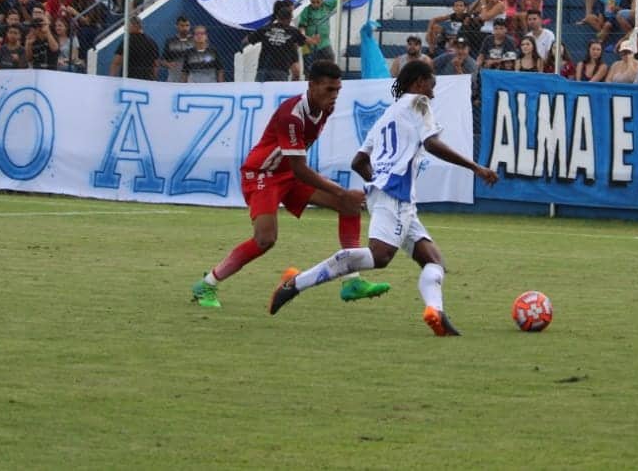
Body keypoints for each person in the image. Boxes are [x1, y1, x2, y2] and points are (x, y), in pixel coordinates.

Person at [268, 61, 498, 336]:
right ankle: (296, 283)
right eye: (431, 86)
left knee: (433, 260)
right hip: (395, 194)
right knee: (380, 257)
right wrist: (476, 167)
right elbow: (431, 143)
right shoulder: (418, 103)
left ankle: (436, 312)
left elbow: (358, 161)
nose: (433, 94)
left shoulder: (388, 115)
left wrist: (378, 182)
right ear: (418, 83)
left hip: (391, 195)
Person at [191, 60, 384, 309]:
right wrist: (339, 189)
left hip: (287, 173)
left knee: (348, 205)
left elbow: (296, 167)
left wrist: (343, 194)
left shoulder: (325, 108)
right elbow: (299, 168)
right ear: (311, 85)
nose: (334, 96)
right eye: (329, 90)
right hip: (263, 173)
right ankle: (207, 283)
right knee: (265, 239)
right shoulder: (292, 115)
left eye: (338, 90)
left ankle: (351, 281)